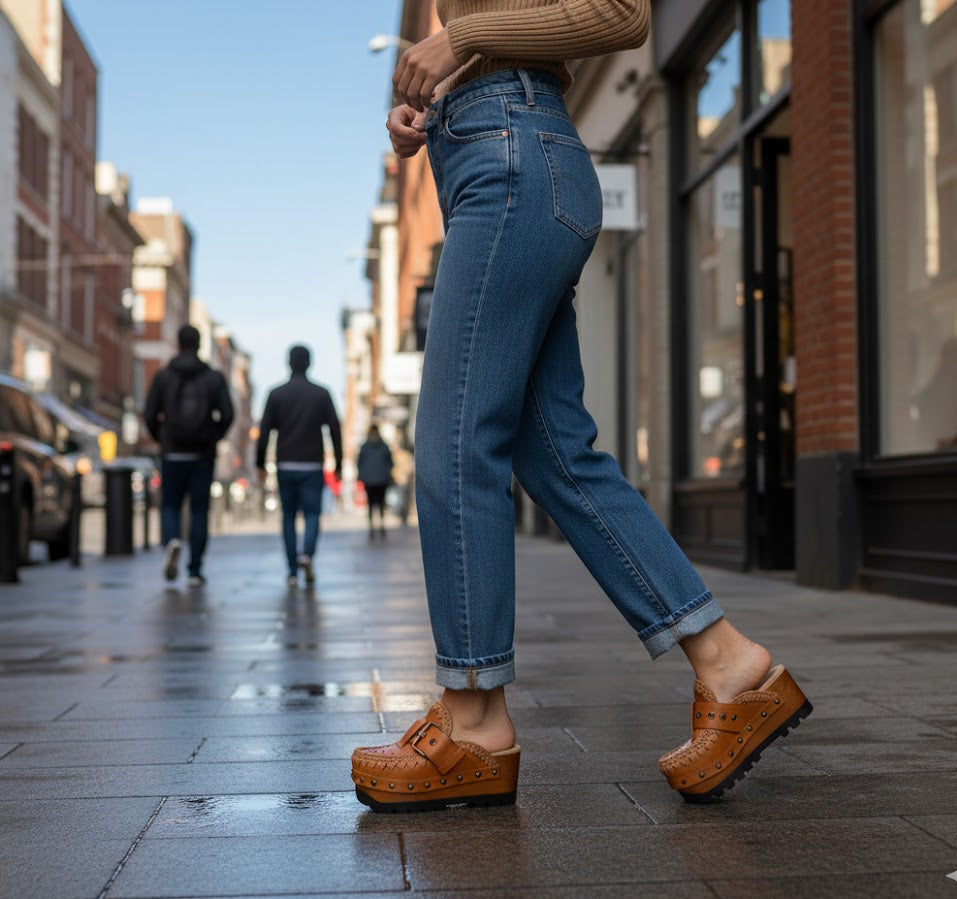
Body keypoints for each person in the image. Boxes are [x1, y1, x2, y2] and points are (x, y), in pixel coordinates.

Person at [351, 0, 811, 812]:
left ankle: (472, 715)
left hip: (512, 154)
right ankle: (728, 662)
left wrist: (458, 41)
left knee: (458, 442)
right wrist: (432, 99)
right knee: (554, 450)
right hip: (490, 152)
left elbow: (621, 13)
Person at [144, 324, 234, 587]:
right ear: (199, 344)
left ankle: (172, 540)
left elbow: (150, 414)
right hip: (202, 455)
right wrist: (212, 436)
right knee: (199, 511)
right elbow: (228, 415)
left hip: (173, 453)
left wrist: (163, 438)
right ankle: (195, 570)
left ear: (178, 343)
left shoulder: (163, 376)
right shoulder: (214, 377)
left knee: (170, 505)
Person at [256, 345, 342, 587]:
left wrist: (260, 463)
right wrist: (339, 463)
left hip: (285, 463)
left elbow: (264, 432)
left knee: (288, 517)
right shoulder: (322, 394)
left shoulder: (276, 394)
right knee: (313, 514)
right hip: (313, 464)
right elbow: (335, 429)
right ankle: (308, 555)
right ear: (309, 363)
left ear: (289, 363)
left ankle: (292, 570)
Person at [357, 424, 394, 538]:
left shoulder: (364, 447)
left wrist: (362, 475)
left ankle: (372, 528)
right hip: (382, 479)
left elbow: (359, 463)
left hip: (369, 480)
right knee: (381, 503)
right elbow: (390, 463)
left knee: (371, 504)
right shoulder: (384, 446)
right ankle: (381, 527)